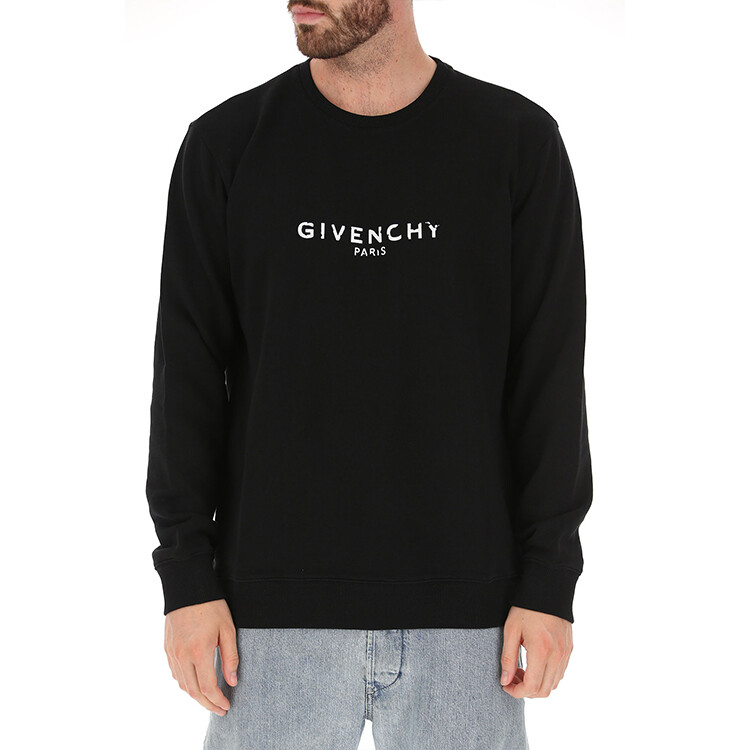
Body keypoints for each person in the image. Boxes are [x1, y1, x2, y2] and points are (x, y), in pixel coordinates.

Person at [144, 1, 594, 747]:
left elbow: (548, 379)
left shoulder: (516, 143)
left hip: (471, 622)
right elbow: (186, 378)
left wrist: (550, 578)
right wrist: (186, 578)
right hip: (265, 624)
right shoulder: (226, 146)